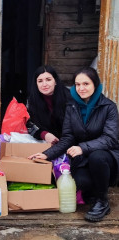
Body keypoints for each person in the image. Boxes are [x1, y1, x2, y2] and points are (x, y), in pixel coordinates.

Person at [29, 67, 119, 222]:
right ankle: (93, 190)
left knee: (97, 157)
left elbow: (110, 139)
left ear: (95, 84)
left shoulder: (108, 107)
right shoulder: (72, 106)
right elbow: (68, 137)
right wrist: (46, 154)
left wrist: (82, 147)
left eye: (86, 84)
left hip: (107, 155)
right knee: (80, 182)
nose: (81, 88)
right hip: (84, 158)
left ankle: (102, 202)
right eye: (77, 85)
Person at [26, 65, 70, 144]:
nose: (44, 84)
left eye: (48, 80)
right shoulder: (32, 101)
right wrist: (44, 134)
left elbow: (76, 125)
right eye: (40, 81)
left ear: (55, 81)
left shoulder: (69, 97)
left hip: (69, 143)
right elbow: (29, 124)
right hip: (45, 143)